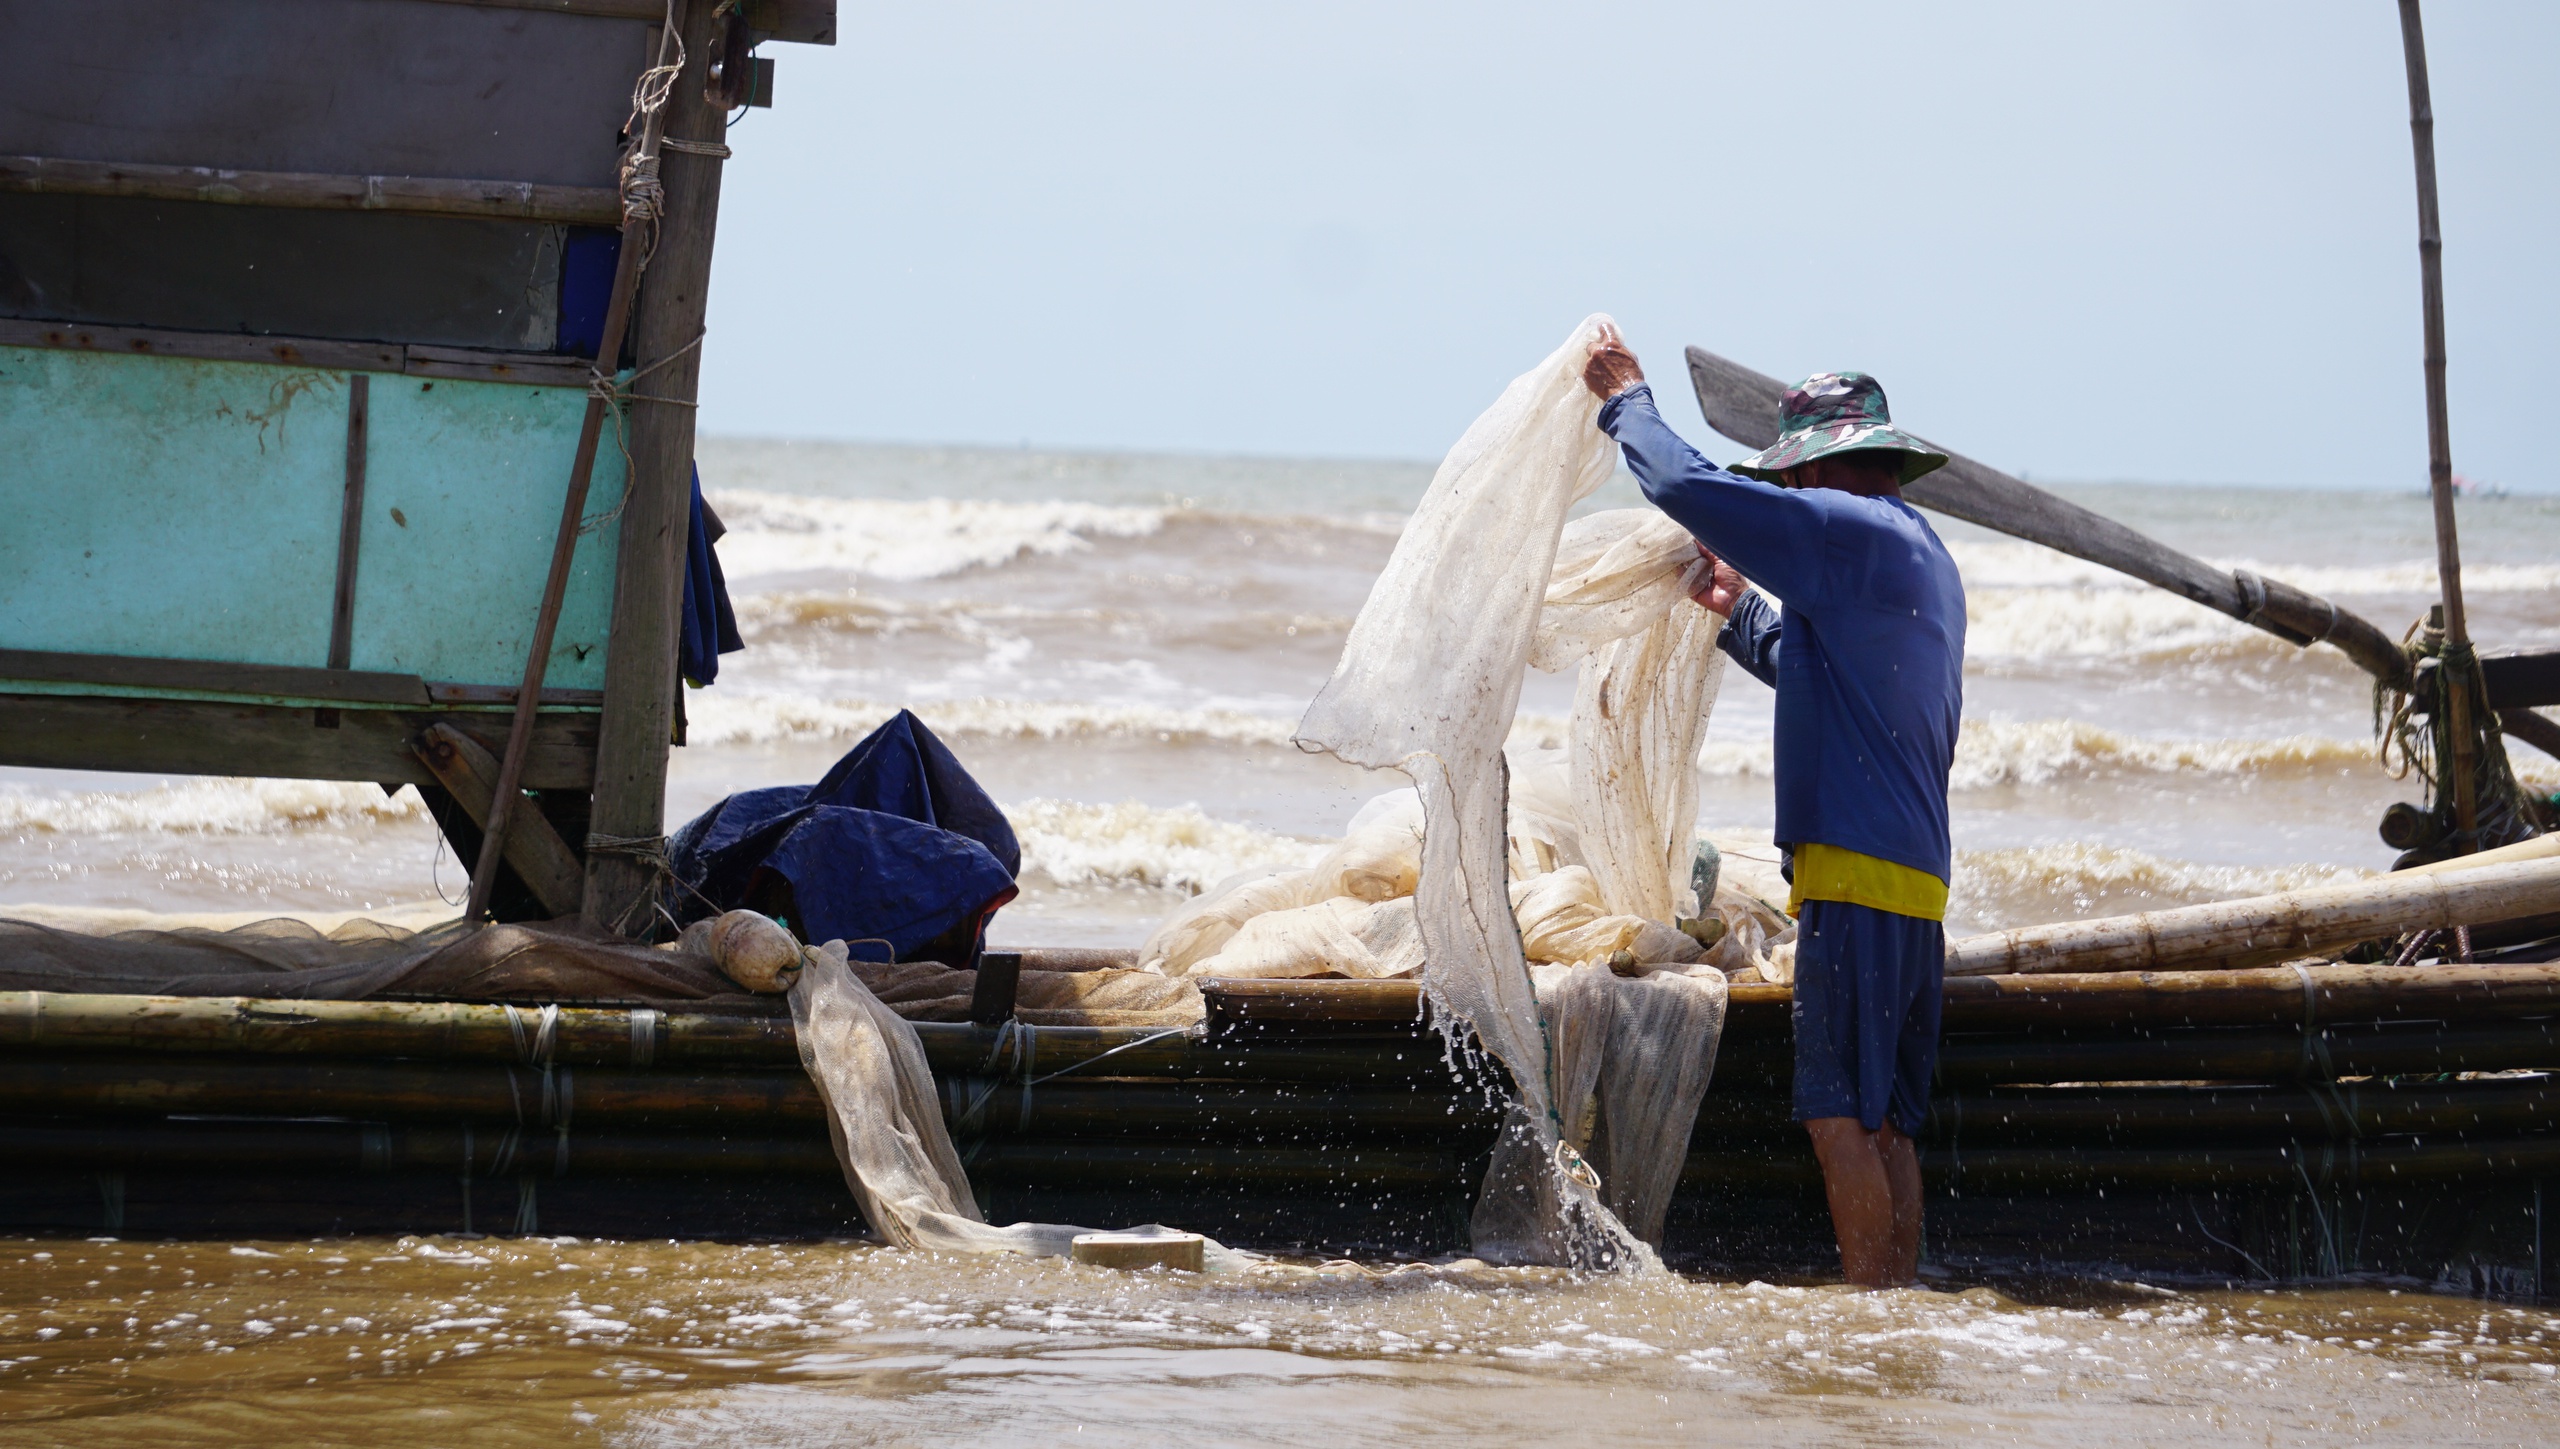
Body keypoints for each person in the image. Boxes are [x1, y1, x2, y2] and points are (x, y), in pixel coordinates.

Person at [1581, 323, 1964, 1287]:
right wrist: (1736, 608)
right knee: (1888, 1123)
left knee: (1837, 1118)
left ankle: (1869, 1315)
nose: (1789, 496)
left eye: (1794, 482)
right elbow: (1809, 663)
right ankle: (1898, 1300)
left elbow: (1692, 489)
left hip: (1855, 877)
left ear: (1824, 473)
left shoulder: (1848, 527)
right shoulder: (1918, 556)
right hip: (1916, 887)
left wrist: (1627, 398)